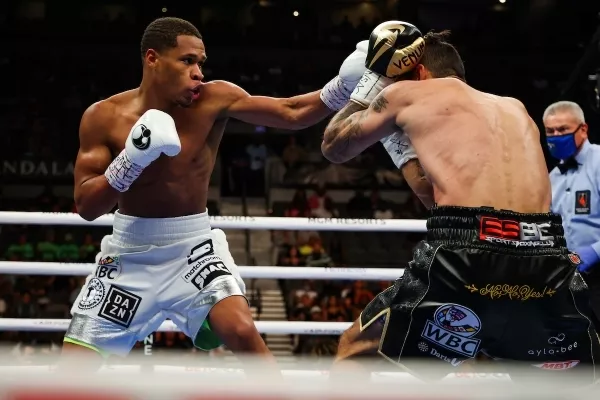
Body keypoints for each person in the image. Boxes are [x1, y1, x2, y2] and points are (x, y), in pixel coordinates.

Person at [63, 17, 368, 371]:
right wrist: (131, 159)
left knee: (241, 329)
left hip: (192, 247)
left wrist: (343, 86)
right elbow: (87, 205)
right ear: (152, 58)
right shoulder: (103, 117)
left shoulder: (213, 99)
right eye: (187, 61)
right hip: (129, 255)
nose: (198, 73)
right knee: (73, 370)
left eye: (200, 63)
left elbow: (292, 112)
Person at [321, 21, 599, 382]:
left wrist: (375, 81)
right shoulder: (516, 109)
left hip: (468, 248)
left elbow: (334, 146)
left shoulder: (407, 93)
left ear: (418, 71)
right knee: (567, 382)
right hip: (545, 251)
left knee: (355, 350)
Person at [544, 101, 600, 324]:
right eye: (550, 131)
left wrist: (595, 251)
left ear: (583, 129)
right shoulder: (552, 178)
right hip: (570, 279)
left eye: (563, 130)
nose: (556, 136)